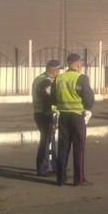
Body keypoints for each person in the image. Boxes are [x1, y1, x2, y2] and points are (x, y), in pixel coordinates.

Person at [52, 53, 95, 186]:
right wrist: (85, 107)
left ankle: (61, 179)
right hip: (77, 116)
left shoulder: (59, 78)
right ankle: (79, 179)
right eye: (80, 63)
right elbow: (89, 100)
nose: (81, 66)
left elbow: (53, 98)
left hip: (63, 116)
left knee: (63, 148)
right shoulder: (81, 78)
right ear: (77, 65)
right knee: (79, 148)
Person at [31, 59, 62, 176]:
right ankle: (43, 169)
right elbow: (47, 102)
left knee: (50, 140)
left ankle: (55, 165)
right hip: (45, 115)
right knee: (46, 140)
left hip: (40, 113)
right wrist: (51, 120)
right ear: (53, 71)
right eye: (58, 70)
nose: (59, 73)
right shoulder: (46, 82)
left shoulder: (39, 78)